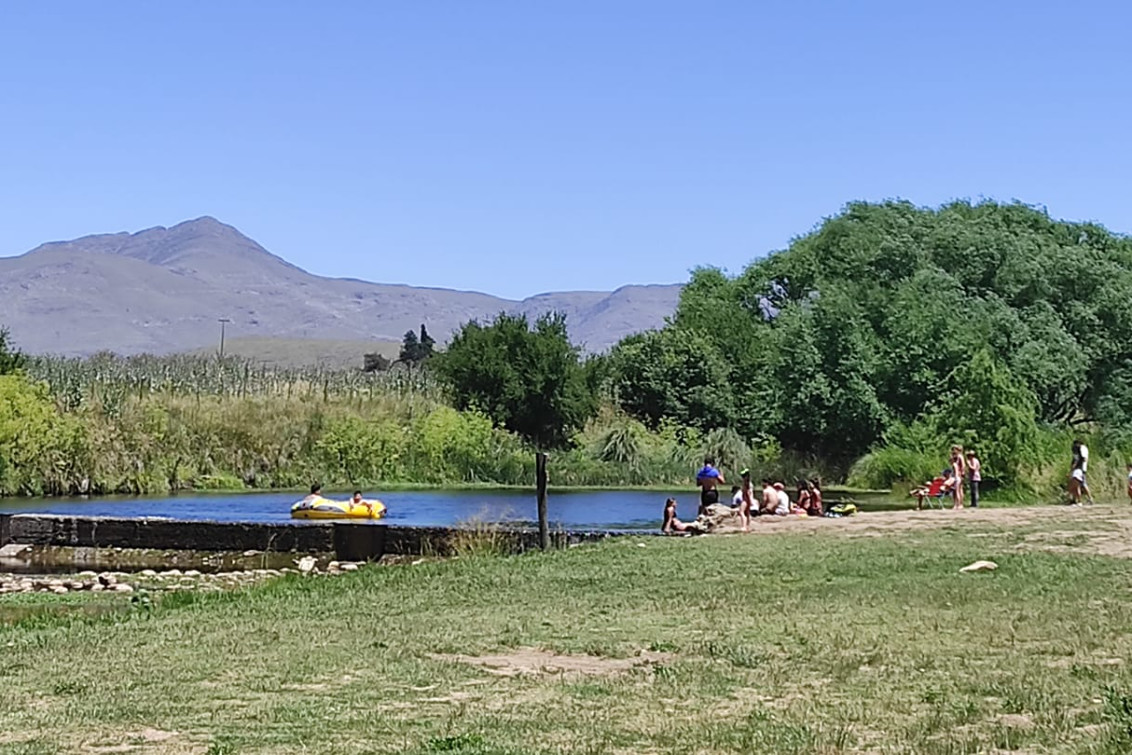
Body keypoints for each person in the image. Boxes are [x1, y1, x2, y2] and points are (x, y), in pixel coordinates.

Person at [1071, 440, 1095, 504]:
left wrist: (1076, 466)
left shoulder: (1082, 448)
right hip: (1081, 468)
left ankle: (1088, 499)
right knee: (1079, 484)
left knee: (1080, 484)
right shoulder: (1082, 449)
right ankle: (1076, 499)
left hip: (1081, 469)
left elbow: (1083, 458)